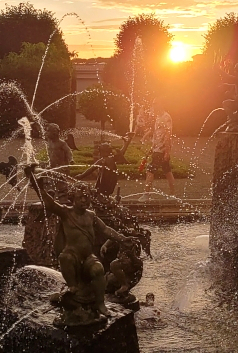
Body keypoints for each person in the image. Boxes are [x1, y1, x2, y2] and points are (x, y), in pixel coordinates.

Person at [24, 173, 131, 323]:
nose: (83, 200)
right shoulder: (66, 212)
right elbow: (50, 204)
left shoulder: (91, 216)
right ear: (72, 198)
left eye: (86, 197)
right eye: (80, 197)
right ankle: (73, 287)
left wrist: (122, 238)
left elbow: (106, 230)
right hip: (72, 255)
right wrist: (37, 186)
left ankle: (100, 303)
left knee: (98, 269)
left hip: (88, 257)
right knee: (64, 257)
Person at [144, 99, 175, 197]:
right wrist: (152, 147)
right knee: (167, 170)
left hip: (161, 150)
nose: (153, 107)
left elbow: (168, 134)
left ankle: (146, 194)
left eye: (155, 104)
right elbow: (156, 134)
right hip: (157, 149)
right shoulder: (158, 117)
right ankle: (173, 193)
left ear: (160, 105)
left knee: (150, 170)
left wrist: (167, 151)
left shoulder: (166, 117)